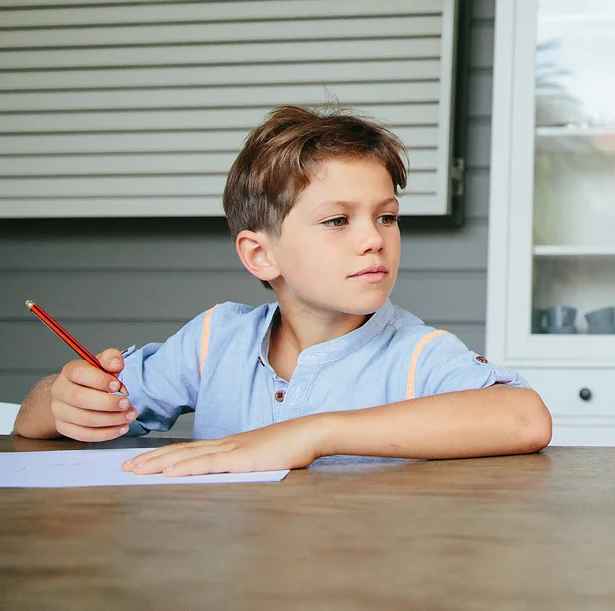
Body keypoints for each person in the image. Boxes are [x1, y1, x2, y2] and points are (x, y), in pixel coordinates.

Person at [14, 105, 551, 473]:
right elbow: (33, 420)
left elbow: (523, 417)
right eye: (337, 220)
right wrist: (62, 399)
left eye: (386, 217)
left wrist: (312, 434)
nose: (375, 240)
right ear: (260, 255)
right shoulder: (214, 340)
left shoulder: (417, 355)